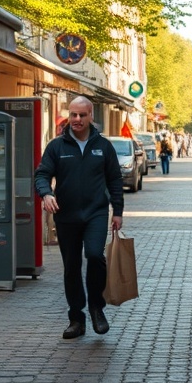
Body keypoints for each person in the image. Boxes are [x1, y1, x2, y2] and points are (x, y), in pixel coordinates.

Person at [35, 96, 124, 338]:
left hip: (95, 213)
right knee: (71, 267)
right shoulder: (57, 146)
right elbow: (42, 175)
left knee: (95, 256)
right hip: (66, 216)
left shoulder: (103, 146)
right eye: (73, 115)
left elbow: (115, 180)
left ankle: (97, 306)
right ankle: (76, 318)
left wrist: (117, 212)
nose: (76, 119)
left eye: (81, 115)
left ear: (90, 117)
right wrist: (45, 194)